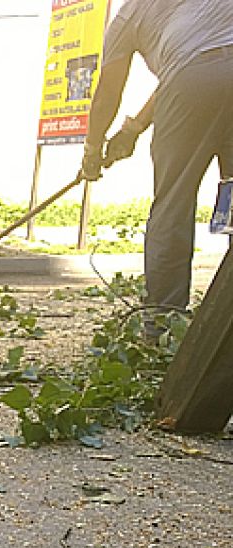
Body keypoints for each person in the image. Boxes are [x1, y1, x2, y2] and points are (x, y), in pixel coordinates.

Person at [80, 0, 233, 317]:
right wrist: (133, 128)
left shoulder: (129, 14)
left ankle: (162, 321)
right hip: (199, 72)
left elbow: (109, 90)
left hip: (192, 83)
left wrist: (92, 150)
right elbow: (187, 63)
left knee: (173, 202)